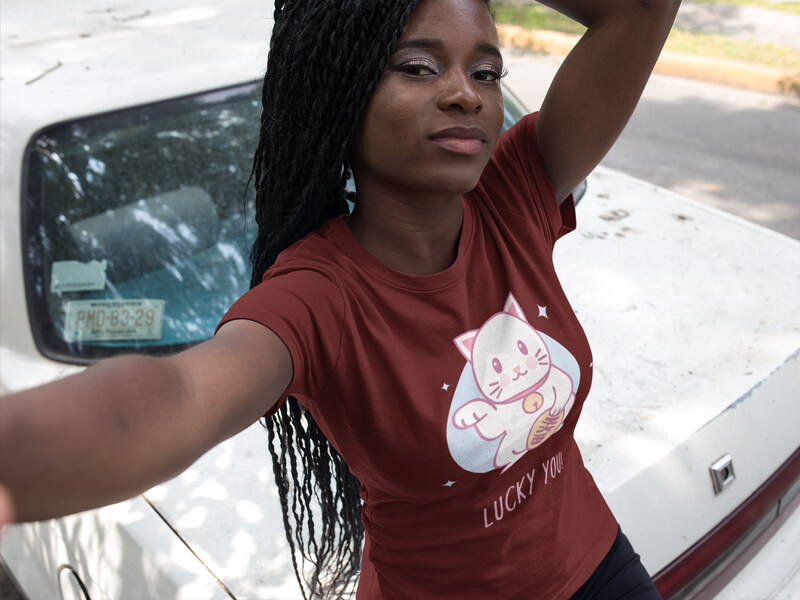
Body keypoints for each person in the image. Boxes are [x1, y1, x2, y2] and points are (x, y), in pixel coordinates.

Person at [0, 0, 681, 597]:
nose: (465, 94)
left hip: (596, 568)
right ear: (340, 92)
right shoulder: (318, 296)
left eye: (486, 71)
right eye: (418, 67)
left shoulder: (516, 196)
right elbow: (172, 398)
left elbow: (642, 10)